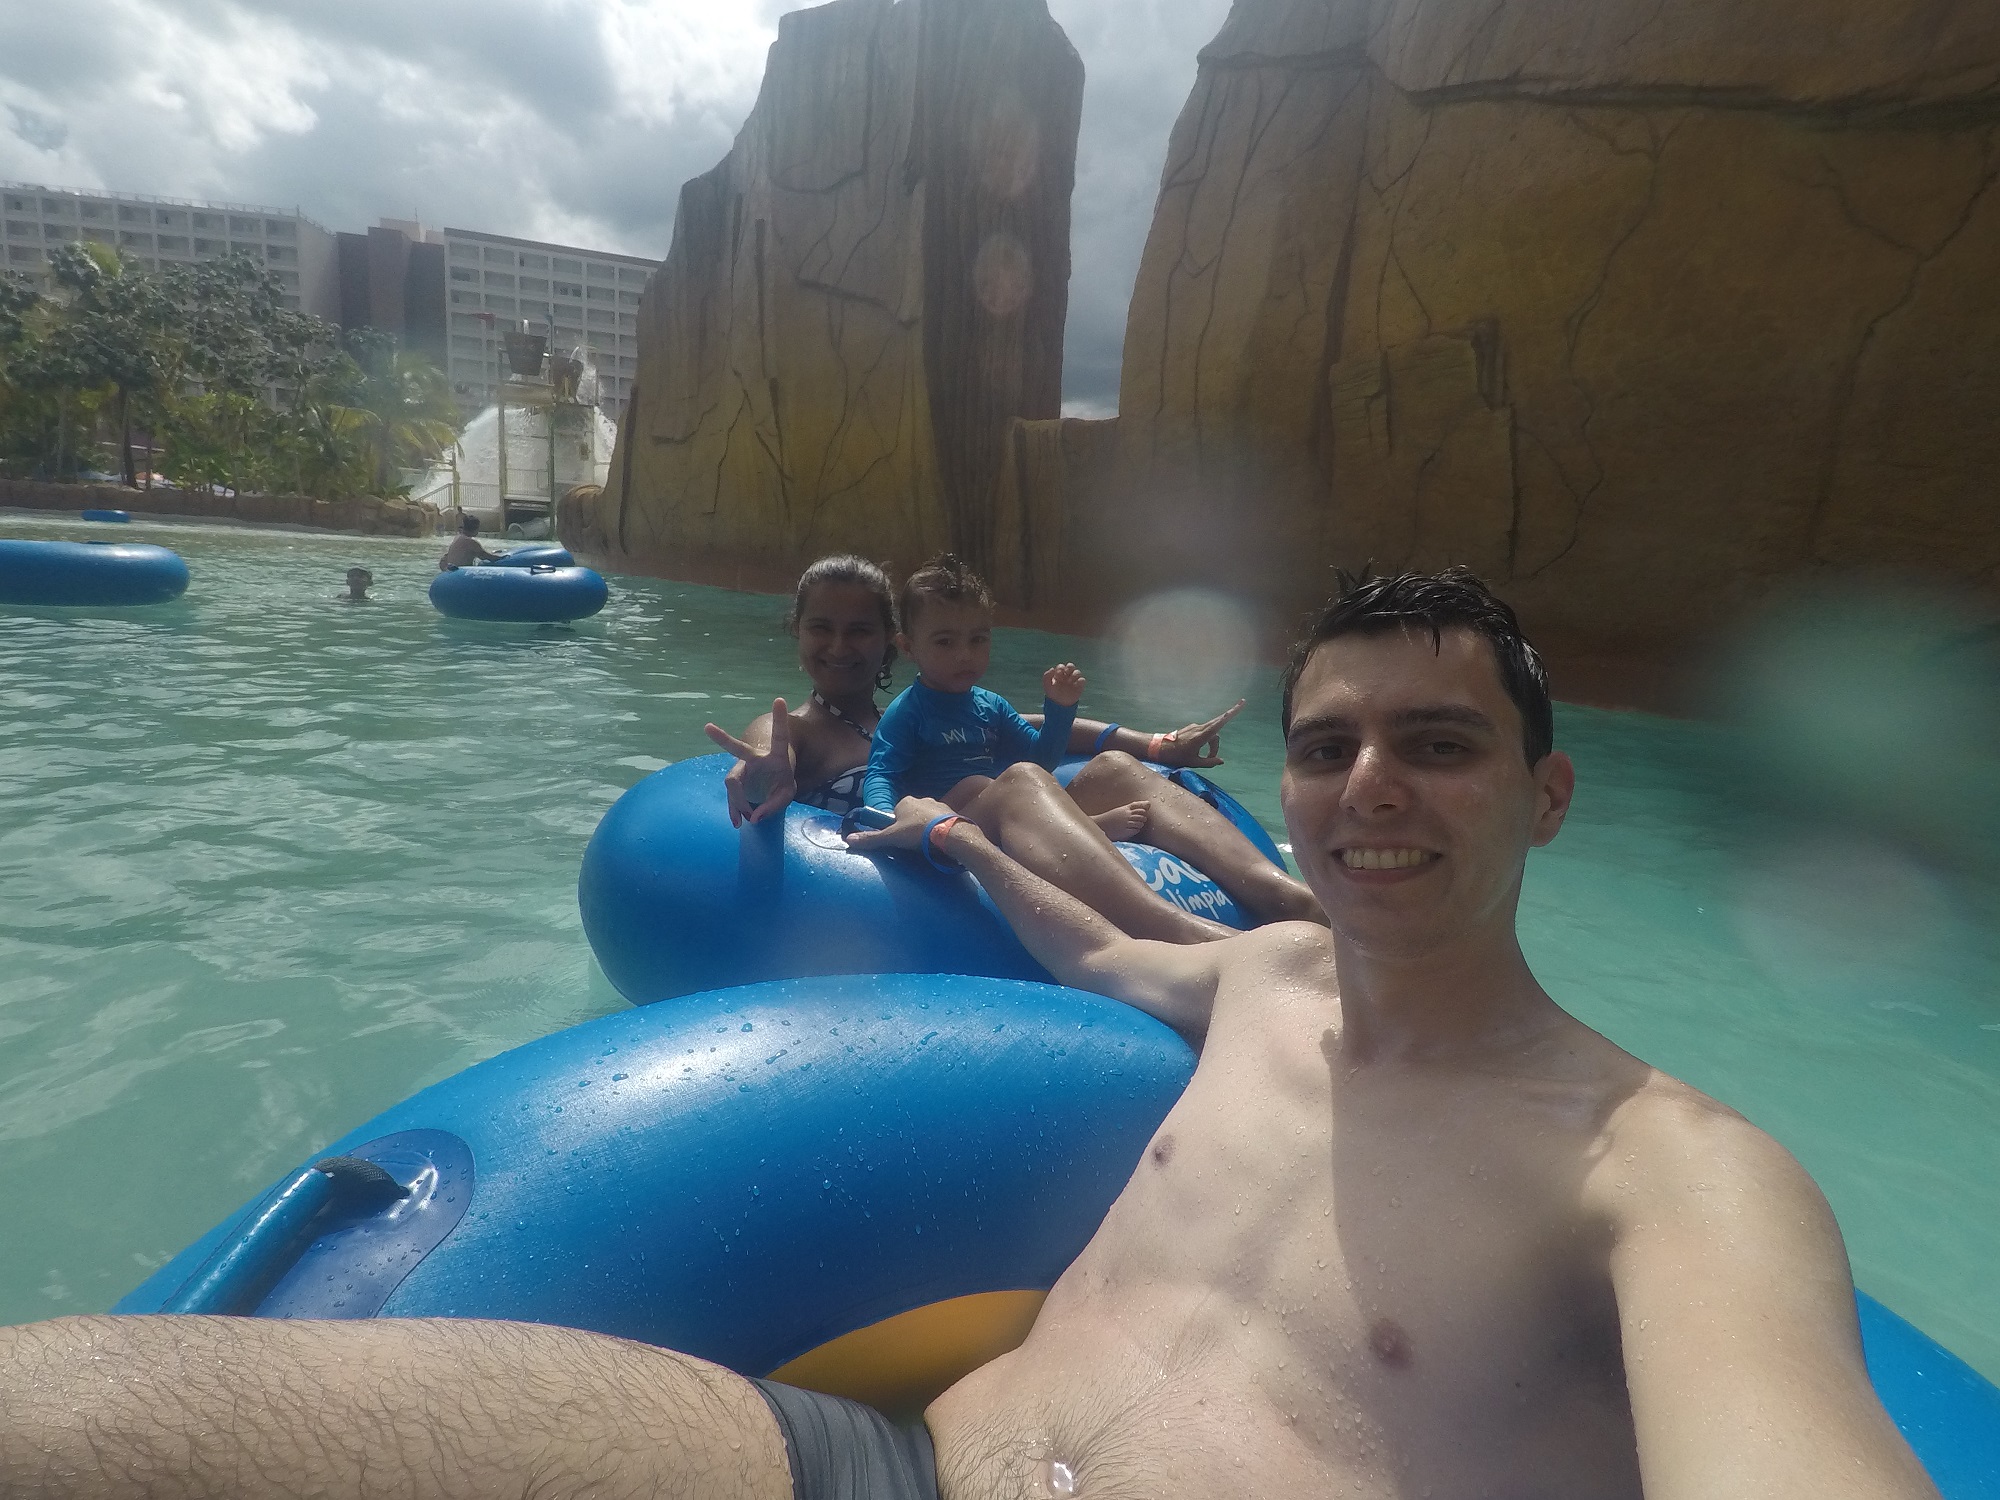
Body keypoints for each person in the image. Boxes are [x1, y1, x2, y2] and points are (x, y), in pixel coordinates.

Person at [0, 568, 1939, 1500]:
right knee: (92, 1417)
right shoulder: (1265, 984)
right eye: (1330, 746)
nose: (1366, 788)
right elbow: (1096, 961)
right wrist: (967, 843)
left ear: (1548, 796)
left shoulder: (1670, 1173)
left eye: (1437, 746)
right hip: (892, 1469)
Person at [703, 554, 1322, 938]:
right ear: (798, 630)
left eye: (859, 630)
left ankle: (1291, 898)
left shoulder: (912, 713)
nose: (840, 646)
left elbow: (1046, 727)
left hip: (981, 824)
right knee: (1016, 781)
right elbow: (763, 755)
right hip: (914, 861)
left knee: (1112, 767)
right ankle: (1181, 935)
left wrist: (1155, 745)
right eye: (821, 627)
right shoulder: (796, 728)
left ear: (891, 640)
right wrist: (763, 773)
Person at [437, 514, 503, 572]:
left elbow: (445, 558)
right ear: (476, 528)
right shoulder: (471, 543)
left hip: (451, 572)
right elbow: (486, 557)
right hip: (461, 574)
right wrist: (503, 558)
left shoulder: (457, 537)